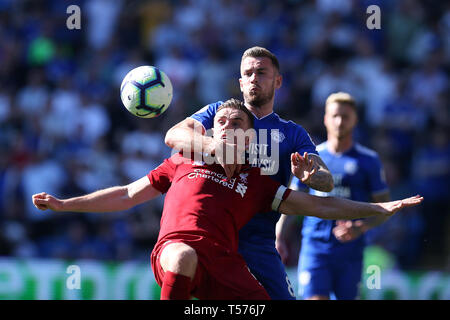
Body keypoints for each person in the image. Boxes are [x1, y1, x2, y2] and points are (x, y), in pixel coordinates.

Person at [32, 98, 423, 300]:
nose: (226, 127)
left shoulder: (257, 182)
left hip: (225, 264)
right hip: (176, 250)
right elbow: (128, 194)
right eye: (220, 122)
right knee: (183, 256)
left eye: (236, 123)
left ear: (249, 138)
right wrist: (67, 204)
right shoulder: (183, 159)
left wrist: (377, 208)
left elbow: (319, 204)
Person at [164, 46, 334, 299]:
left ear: (277, 81)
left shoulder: (293, 133)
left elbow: (327, 181)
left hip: (259, 242)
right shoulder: (219, 114)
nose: (254, 78)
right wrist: (214, 145)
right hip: (212, 236)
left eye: (262, 72)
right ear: (241, 83)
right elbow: (174, 135)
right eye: (249, 73)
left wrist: (312, 177)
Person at [289, 92, 393, 300]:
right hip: (314, 246)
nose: (339, 121)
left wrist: (361, 226)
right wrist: (280, 236)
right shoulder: (311, 158)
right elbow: (290, 201)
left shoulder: (368, 160)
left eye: (345, 116)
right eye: (335, 116)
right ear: (325, 119)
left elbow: (384, 208)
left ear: (355, 120)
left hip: (350, 251)